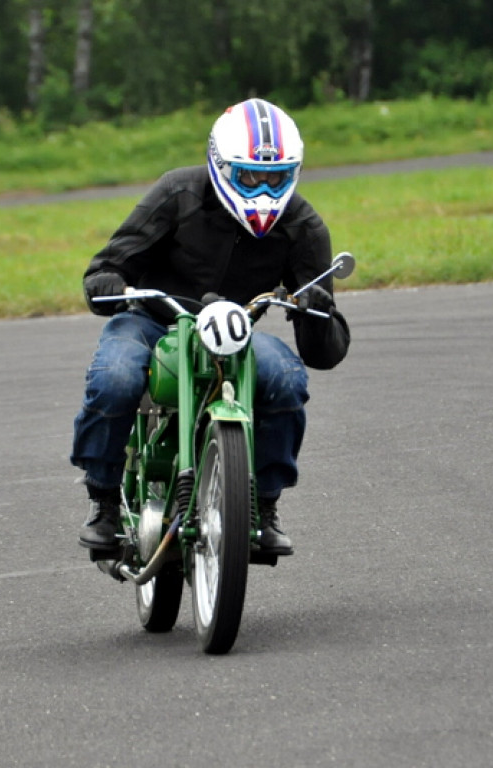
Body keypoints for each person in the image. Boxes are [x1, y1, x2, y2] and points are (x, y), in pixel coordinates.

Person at [70, 97, 350, 556]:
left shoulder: (303, 224)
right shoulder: (178, 192)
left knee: (286, 377)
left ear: (294, 172)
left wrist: (314, 309)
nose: (264, 189)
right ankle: (103, 500)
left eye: (276, 177)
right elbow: (106, 267)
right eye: (250, 176)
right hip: (152, 320)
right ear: (221, 165)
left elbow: (324, 353)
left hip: (234, 332)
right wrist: (109, 282)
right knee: (115, 377)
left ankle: (264, 505)